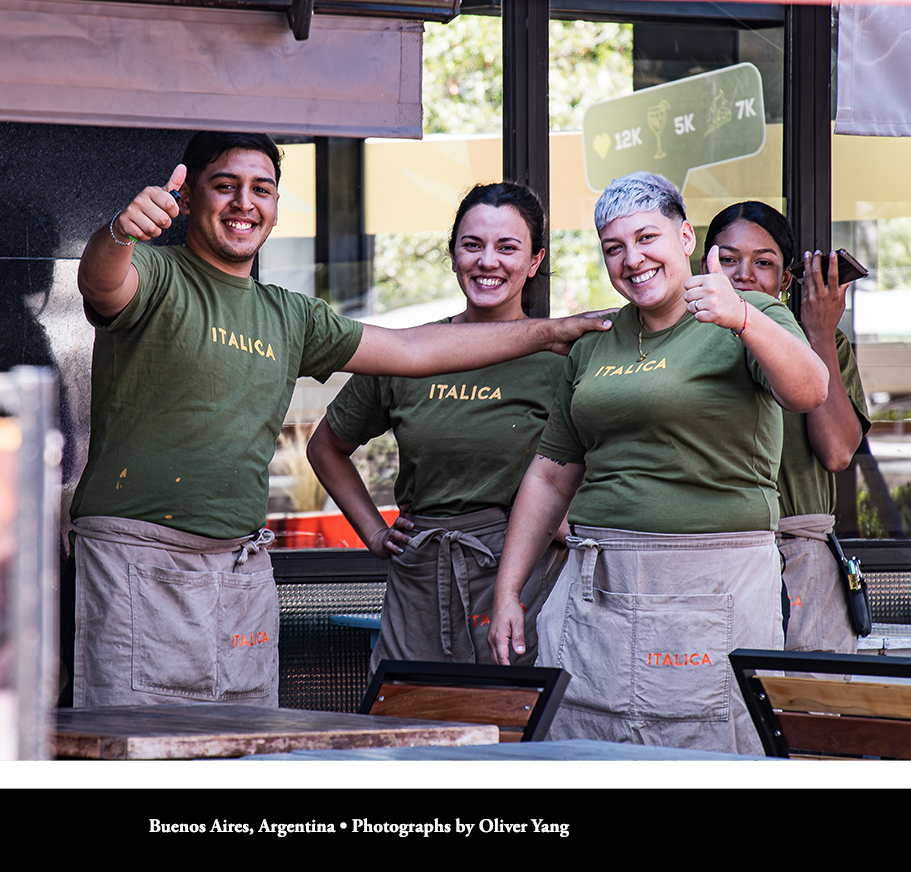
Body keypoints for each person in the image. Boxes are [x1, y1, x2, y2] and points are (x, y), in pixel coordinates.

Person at [70, 131, 610, 708]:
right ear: (189, 195)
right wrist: (120, 233)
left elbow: (412, 350)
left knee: (245, 740)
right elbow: (101, 282)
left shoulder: (290, 314)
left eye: (262, 189)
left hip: (244, 568)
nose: (244, 203)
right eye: (225, 186)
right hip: (140, 558)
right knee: (136, 739)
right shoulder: (154, 273)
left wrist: (552, 332)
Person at [487, 171, 828, 755]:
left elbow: (811, 390)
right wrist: (507, 590)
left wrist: (743, 319)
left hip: (712, 583)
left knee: (708, 752)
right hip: (598, 582)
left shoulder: (748, 310)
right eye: (613, 248)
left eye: (648, 238)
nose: (633, 259)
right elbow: (550, 473)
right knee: (589, 748)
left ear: (686, 238)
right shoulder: (595, 340)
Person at [306, 183, 571, 671]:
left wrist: (565, 519)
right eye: (472, 244)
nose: (487, 261)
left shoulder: (560, 360)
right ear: (452, 256)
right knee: (408, 709)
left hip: (519, 575)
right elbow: (326, 448)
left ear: (534, 261)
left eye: (507, 247)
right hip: (420, 572)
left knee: (510, 714)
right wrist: (374, 532)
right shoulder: (410, 353)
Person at [704, 201, 870, 655]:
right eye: (728, 259)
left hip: (801, 558)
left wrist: (819, 336)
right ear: (705, 265)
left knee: (805, 694)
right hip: (712, 554)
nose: (743, 274)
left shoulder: (821, 342)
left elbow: (837, 452)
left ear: (785, 280)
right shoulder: (683, 342)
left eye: (763, 263)